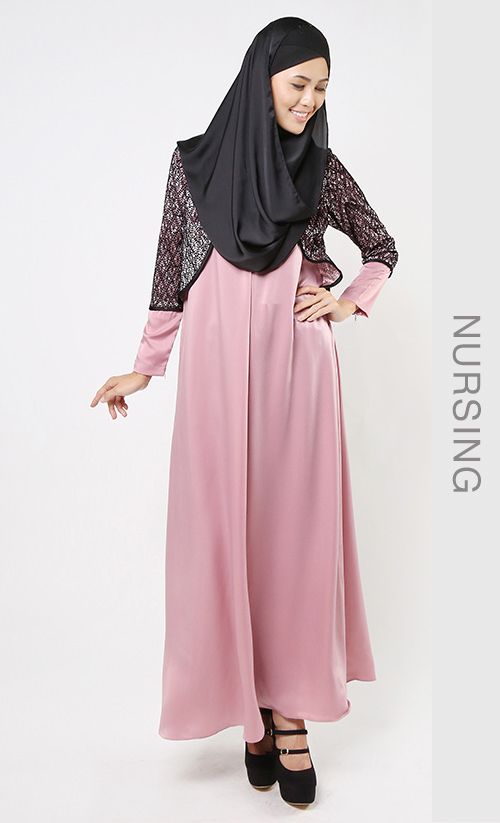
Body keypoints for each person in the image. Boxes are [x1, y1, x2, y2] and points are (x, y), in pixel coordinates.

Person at [90, 16, 398, 808]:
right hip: (218, 370)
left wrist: (346, 302)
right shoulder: (194, 166)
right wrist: (144, 368)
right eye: (298, 83)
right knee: (226, 532)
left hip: (299, 370)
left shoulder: (321, 169)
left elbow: (381, 247)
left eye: (321, 87)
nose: (310, 100)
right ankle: (246, 705)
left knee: (293, 538)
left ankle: (289, 711)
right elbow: (170, 274)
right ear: (262, 78)